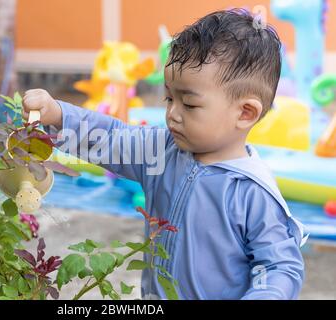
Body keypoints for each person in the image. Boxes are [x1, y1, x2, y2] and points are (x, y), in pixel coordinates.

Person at [22, 9, 307, 300]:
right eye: (169, 98)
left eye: (190, 105)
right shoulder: (160, 152)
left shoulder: (252, 192)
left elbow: (278, 266)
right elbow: (110, 137)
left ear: (245, 113)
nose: (173, 114)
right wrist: (58, 115)